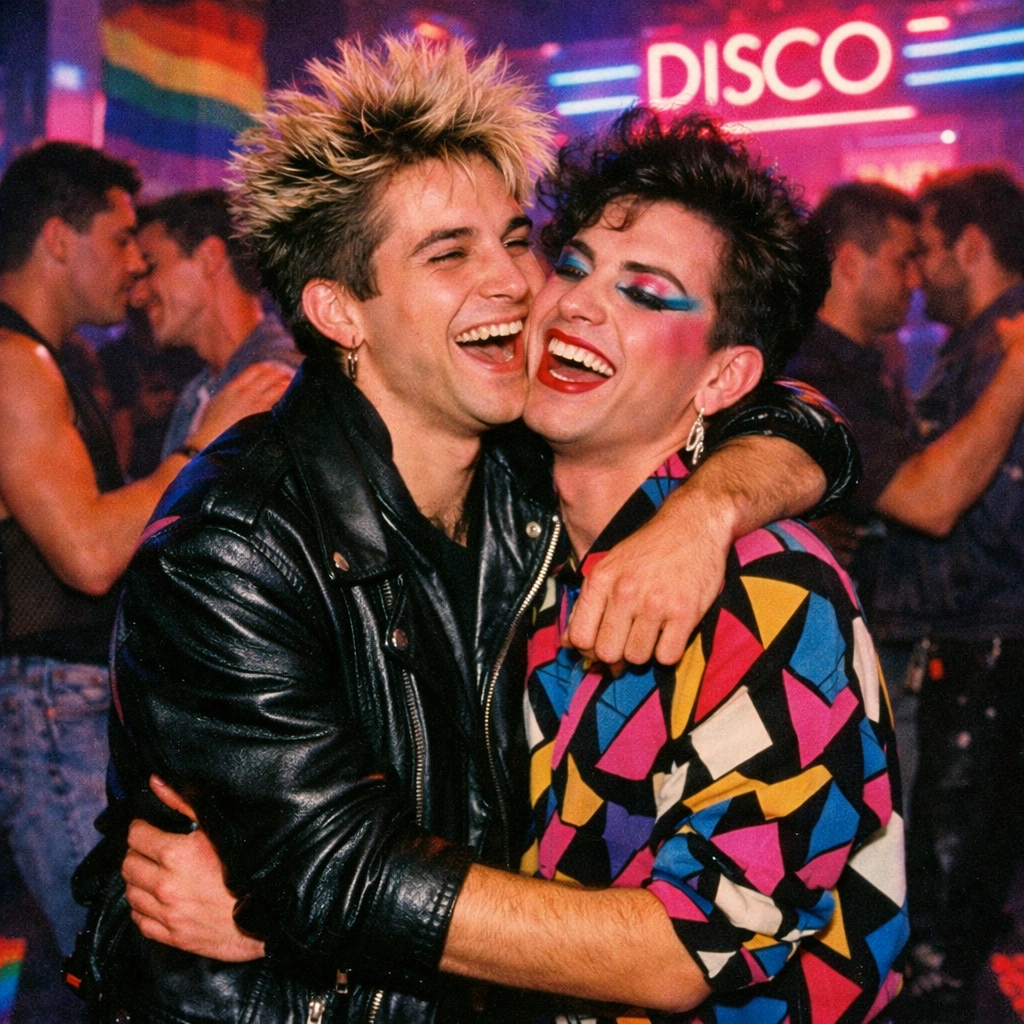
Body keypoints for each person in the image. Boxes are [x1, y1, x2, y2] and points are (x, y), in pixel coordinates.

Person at [83, 39, 857, 1024]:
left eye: (515, 238)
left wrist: (708, 510)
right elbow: (338, 869)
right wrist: (308, 908)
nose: (518, 282)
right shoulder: (230, 547)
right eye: (450, 254)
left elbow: (802, 417)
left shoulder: (531, 477)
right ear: (338, 311)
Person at [504, 107, 908, 1024]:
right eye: (572, 266)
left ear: (723, 381)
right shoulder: (511, 533)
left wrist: (339, 897)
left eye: (646, 292)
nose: (577, 303)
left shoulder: (773, 597)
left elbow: (691, 947)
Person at [0, 142, 291, 959]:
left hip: (62, 697)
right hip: (50, 699)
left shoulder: (44, 361)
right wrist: (198, 447)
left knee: (94, 962)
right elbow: (90, 553)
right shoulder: (13, 362)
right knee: (115, 959)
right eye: (123, 240)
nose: (132, 267)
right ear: (60, 239)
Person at [787, 181, 1024, 813]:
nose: (915, 278)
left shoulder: (866, 367)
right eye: (901, 259)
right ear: (847, 263)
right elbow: (929, 502)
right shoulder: (815, 376)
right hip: (830, 664)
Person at [867, 167, 1024, 1022]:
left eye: (926, 251)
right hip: (967, 644)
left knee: (950, 916)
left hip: (985, 644)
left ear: (971, 244)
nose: (919, 273)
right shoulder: (982, 348)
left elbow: (987, 522)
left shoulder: (1010, 346)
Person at [130, 188, 303, 461]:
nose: (137, 295)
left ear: (209, 257)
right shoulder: (200, 392)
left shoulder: (275, 384)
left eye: (150, 267)